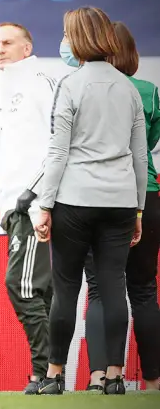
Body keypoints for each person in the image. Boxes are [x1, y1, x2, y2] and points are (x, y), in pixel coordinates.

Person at [34, 6, 148, 396]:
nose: (65, 41)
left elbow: (58, 152)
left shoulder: (70, 85)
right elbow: (140, 156)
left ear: (79, 38)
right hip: (120, 201)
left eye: (68, 34)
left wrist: (45, 205)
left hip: (75, 199)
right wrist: (138, 209)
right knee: (114, 286)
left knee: (66, 288)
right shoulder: (129, 88)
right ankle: (114, 376)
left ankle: (54, 374)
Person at [0, 22, 57, 393]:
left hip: (33, 206)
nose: (0, 50)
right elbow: (12, 148)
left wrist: (33, 193)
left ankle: (44, 372)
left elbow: (58, 144)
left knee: (22, 286)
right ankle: (53, 373)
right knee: (41, 290)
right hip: (13, 205)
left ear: (27, 48)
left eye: (7, 43)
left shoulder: (40, 82)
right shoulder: (4, 86)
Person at [83, 21, 160, 392]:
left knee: (99, 289)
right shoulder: (148, 91)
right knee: (143, 290)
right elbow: (149, 140)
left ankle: (99, 377)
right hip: (146, 192)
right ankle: (152, 383)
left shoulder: (82, 87)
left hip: (97, 194)